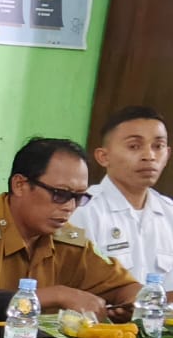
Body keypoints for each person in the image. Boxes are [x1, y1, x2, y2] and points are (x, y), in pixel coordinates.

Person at [0, 136, 140, 315]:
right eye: (60, 194)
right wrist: (57, 295)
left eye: (79, 197)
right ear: (20, 185)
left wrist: (130, 305)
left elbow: (126, 287)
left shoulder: (67, 239)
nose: (70, 207)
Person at [70, 106, 172, 280]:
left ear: (167, 154)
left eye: (158, 146)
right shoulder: (82, 211)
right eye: (134, 146)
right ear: (104, 157)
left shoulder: (170, 212)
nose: (149, 156)